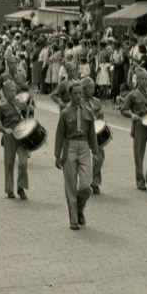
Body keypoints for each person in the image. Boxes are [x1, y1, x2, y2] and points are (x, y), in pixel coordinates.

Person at [54, 82, 99, 230]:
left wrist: (96, 152)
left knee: (86, 186)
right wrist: (57, 155)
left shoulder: (89, 112)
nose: (79, 96)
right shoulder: (65, 113)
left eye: (81, 93)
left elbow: (92, 134)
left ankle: (79, 209)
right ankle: (73, 219)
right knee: (71, 186)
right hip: (70, 148)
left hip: (85, 147)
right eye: (75, 94)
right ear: (70, 95)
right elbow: (60, 135)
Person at [120, 67, 147, 191]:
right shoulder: (132, 95)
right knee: (139, 155)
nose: (144, 81)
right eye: (142, 79)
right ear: (137, 80)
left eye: (146, 79)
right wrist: (132, 115)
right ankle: (140, 181)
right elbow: (123, 110)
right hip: (139, 125)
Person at [0, 81, 32, 200]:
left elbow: (30, 115)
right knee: (9, 164)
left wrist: (31, 108)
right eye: (10, 91)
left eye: (15, 91)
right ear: (5, 92)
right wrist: (4, 130)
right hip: (9, 137)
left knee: (23, 163)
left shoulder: (20, 104)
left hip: (21, 137)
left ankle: (21, 187)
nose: (13, 93)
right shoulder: (1, 107)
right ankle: (9, 190)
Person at [80, 77, 105, 194]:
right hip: (84, 133)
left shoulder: (97, 101)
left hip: (96, 134)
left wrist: (100, 115)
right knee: (84, 160)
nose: (92, 90)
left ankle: (94, 181)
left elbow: (101, 119)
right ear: (83, 89)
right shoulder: (79, 102)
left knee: (99, 158)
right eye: (90, 87)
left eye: (93, 87)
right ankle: (85, 182)